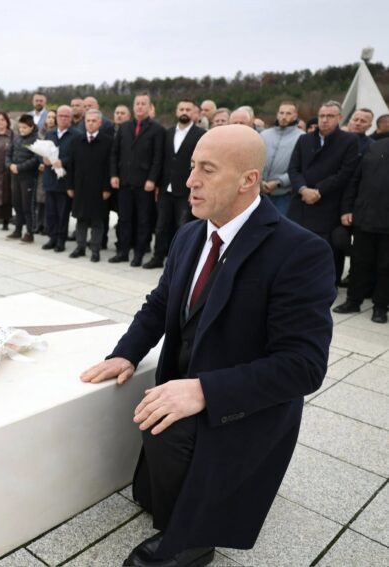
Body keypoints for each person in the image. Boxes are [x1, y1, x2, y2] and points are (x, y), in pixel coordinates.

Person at [80, 125, 335, 567]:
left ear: (248, 180)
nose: (189, 181)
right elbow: (160, 304)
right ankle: (175, 497)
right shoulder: (190, 234)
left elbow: (303, 366)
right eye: (192, 166)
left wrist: (204, 391)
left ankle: (194, 542)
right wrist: (126, 353)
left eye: (207, 170)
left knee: (166, 430)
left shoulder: (300, 251)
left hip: (241, 406)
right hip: (188, 380)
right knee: (155, 451)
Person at [287, 100, 360, 285]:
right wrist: (303, 189)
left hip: (328, 204)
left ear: (339, 118)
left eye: (330, 116)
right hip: (302, 202)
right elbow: (293, 169)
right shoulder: (304, 139)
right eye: (321, 116)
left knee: (327, 250)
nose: (324, 120)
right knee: (296, 246)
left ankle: (326, 286)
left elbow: (345, 172)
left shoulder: (349, 141)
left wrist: (318, 191)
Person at [333, 137, 389, 323]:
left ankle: (380, 307)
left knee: (386, 266)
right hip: (365, 217)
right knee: (359, 262)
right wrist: (347, 208)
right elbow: (355, 180)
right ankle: (353, 301)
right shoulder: (375, 147)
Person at [145, 100, 204, 269]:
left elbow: (198, 165)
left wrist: (194, 189)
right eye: (181, 109)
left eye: (188, 109)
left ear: (194, 113)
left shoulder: (200, 134)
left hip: (185, 189)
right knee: (161, 226)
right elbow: (161, 159)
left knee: (183, 227)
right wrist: (157, 184)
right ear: (177, 112)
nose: (184, 112)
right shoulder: (168, 133)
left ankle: (180, 263)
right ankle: (157, 257)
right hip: (165, 188)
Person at [110, 92, 165, 266]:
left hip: (144, 184)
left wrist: (152, 179)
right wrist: (114, 175)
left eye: (143, 104)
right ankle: (123, 252)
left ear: (149, 107)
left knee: (143, 220)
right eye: (137, 103)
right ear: (133, 107)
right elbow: (115, 153)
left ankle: (139, 254)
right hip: (124, 181)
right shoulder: (124, 127)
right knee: (124, 219)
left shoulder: (157, 129)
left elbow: (158, 158)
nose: (140, 106)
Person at [68, 109, 114, 262]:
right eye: (88, 121)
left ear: (100, 123)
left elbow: (109, 166)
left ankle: (95, 249)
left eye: (94, 121)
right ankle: (80, 247)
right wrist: (70, 186)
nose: (91, 123)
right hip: (80, 187)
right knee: (81, 219)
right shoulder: (77, 140)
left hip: (99, 188)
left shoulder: (107, 141)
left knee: (97, 220)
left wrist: (107, 188)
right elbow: (71, 165)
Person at [42, 105, 80, 253]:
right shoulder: (50, 134)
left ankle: (60, 240)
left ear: (71, 118)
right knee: (50, 212)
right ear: (56, 117)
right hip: (49, 178)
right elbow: (43, 152)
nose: (63, 118)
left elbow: (77, 157)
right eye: (60, 116)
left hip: (65, 181)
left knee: (62, 213)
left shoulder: (76, 135)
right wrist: (44, 159)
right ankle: (52, 238)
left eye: (66, 116)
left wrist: (63, 162)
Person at [259, 101, 303, 215]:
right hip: (259, 191)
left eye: (288, 113)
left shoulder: (302, 138)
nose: (284, 117)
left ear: (295, 116)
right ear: (277, 114)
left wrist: (278, 182)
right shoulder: (264, 135)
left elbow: (300, 167)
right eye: (281, 113)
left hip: (284, 195)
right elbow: (256, 159)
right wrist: (260, 180)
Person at [5, 114, 40, 242]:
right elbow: (8, 154)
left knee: (27, 206)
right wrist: (10, 165)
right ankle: (18, 230)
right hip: (15, 177)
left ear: (31, 127)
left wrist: (20, 167)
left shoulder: (37, 140)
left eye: (24, 127)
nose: (22, 130)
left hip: (28, 178)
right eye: (20, 127)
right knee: (17, 204)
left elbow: (36, 159)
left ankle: (30, 232)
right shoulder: (16, 139)